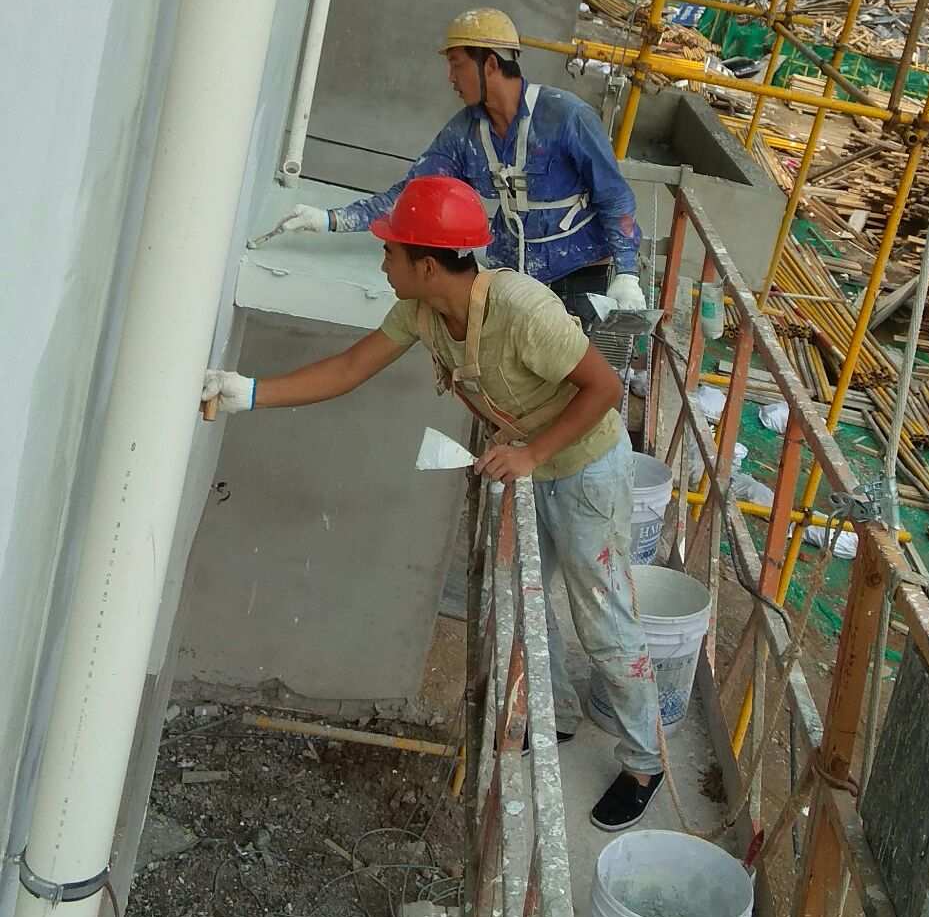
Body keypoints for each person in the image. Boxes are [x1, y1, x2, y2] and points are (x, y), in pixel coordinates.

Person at [204, 175, 663, 832]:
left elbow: (604, 386)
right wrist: (245, 391)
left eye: (390, 252)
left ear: (426, 263)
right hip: (533, 459)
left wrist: (531, 456)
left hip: (586, 468)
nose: (382, 261)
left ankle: (645, 761)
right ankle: (552, 713)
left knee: (603, 618)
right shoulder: (421, 311)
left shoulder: (522, 308)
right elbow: (348, 368)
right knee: (523, 599)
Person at [265, 6, 645, 331]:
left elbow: (614, 197)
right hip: (512, 275)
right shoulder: (465, 134)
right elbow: (412, 195)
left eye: (456, 64)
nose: (450, 78)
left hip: (581, 270)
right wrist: (330, 219)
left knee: (579, 380)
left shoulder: (566, 117)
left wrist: (626, 274)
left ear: (490, 64)